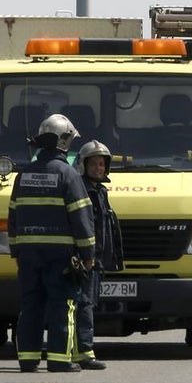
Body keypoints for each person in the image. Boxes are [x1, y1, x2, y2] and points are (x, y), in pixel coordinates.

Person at [8, 114, 96, 373]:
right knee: (63, 306)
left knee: (30, 306)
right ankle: (59, 360)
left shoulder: (23, 175)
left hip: (28, 256)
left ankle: (28, 359)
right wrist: (88, 255)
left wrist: (16, 251)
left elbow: (13, 217)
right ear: (64, 141)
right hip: (60, 257)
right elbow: (82, 218)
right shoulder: (69, 175)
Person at [71, 140, 126, 369]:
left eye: (102, 164)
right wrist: (86, 256)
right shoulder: (81, 190)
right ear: (83, 165)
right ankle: (83, 353)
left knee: (87, 304)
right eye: (93, 164)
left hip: (96, 260)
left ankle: (81, 350)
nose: (98, 168)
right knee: (83, 305)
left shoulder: (100, 191)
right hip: (85, 260)